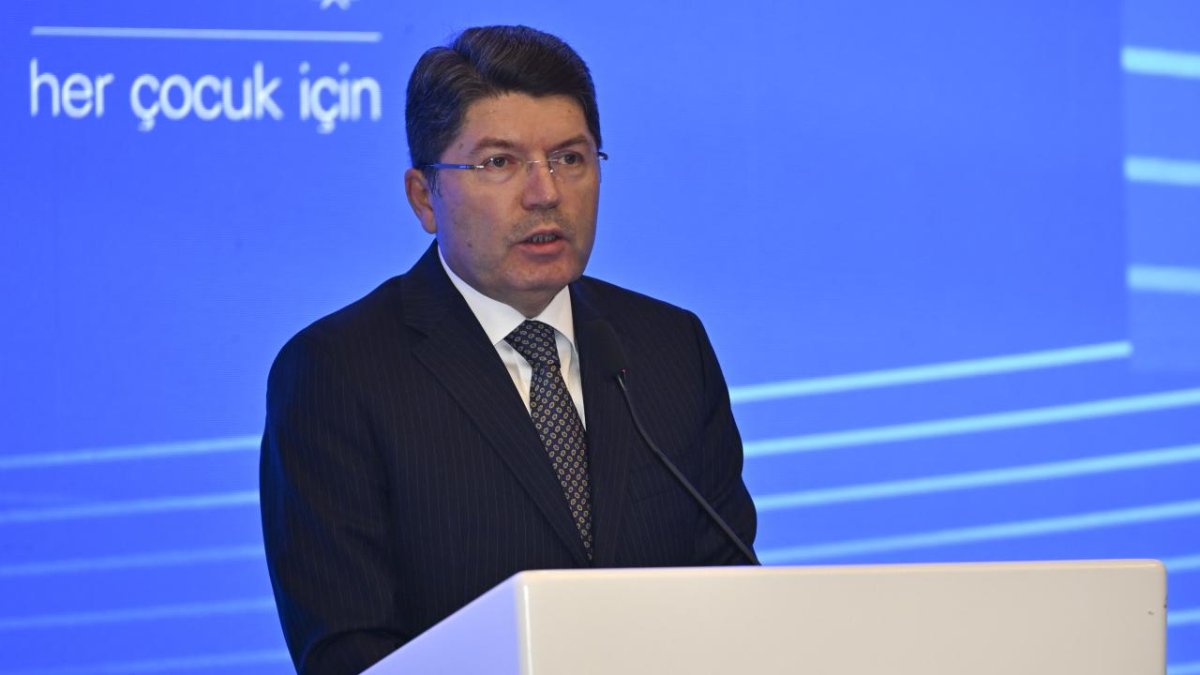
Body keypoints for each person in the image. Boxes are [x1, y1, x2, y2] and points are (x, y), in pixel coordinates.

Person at [260, 25, 757, 675]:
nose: (545, 192)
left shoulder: (669, 345)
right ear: (424, 197)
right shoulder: (338, 373)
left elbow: (733, 594)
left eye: (570, 158)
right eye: (499, 162)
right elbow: (347, 650)